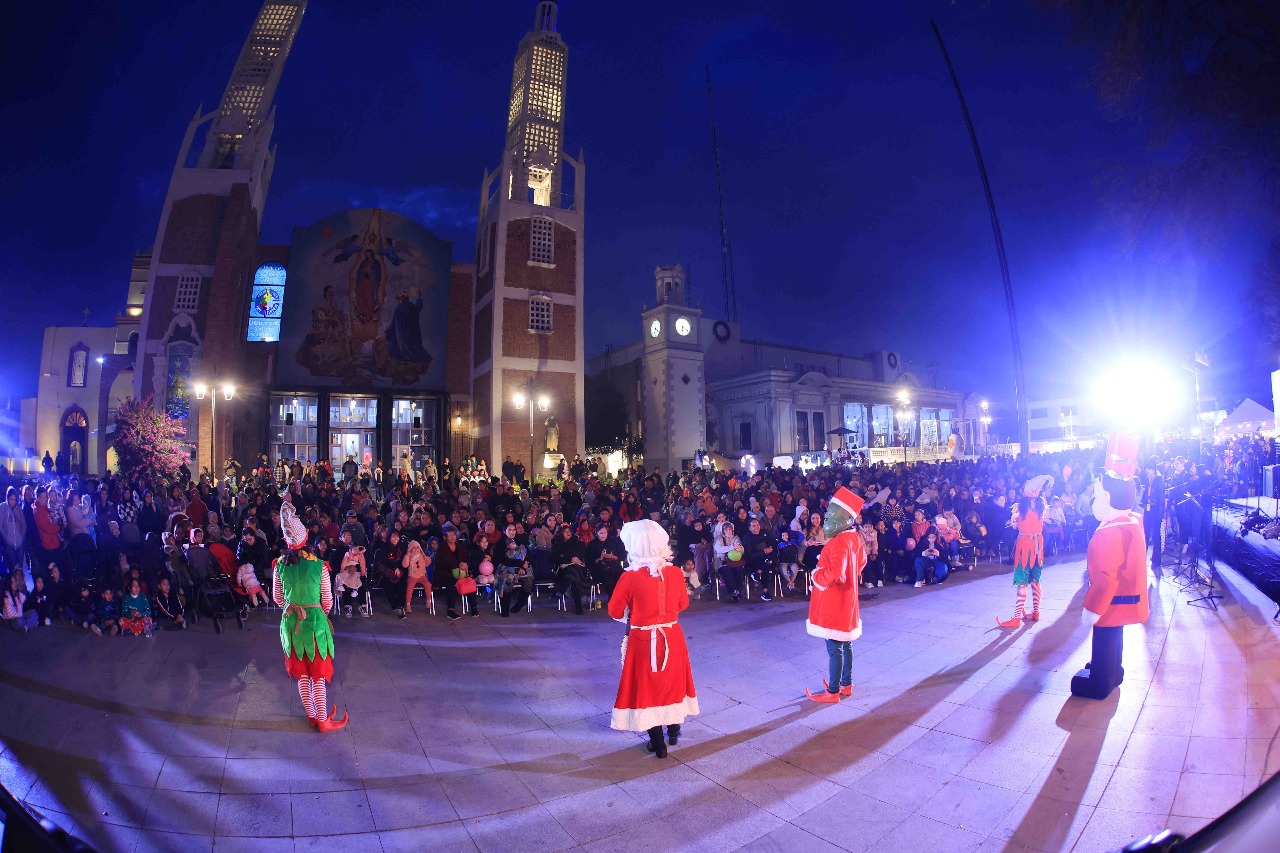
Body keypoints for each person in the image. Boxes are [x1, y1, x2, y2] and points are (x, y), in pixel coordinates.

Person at [608, 520, 699, 758]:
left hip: (643, 639)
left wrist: (634, 613)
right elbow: (683, 604)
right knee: (671, 682)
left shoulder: (630, 577)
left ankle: (658, 744)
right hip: (672, 636)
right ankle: (674, 730)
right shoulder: (675, 572)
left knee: (647, 688)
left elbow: (614, 610)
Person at [1072, 433, 1150, 700]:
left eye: (1096, 498)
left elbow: (1104, 580)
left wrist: (1091, 610)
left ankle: (1100, 681)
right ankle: (1113, 671)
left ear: (1106, 496)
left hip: (1112, 601)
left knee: (1104, 634)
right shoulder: (1132, 521)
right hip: (1127, 598)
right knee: (1115, 636)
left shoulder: (1107, 534)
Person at [272, 502, 347, 731]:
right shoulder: (319, 566)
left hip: (290, 622)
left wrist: (291, 607)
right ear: (306, 538)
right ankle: (323, 720)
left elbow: (277, 597)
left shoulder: (279, 565)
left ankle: (314, 715)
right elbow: (327, 600)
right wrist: (319, 614)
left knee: (303, 675)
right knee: (318, 674)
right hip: (314, 622)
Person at [804, 488, 867, 703]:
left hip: (834, 600)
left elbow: (834, 574)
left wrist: (817, 574)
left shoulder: (838, 542)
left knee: (834, 646)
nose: (827, 518)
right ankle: (846, 684)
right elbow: (861, 563)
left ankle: (832, 691)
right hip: (848, 599)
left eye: (831, 513)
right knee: (846, 642)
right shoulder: (854, 538)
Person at [999, 476, 1052, 628]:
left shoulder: (1020, 507)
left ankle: (1016, 618)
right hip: (1038, 544)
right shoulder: (1042, 506)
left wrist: (1014, 520)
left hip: (1024, 543)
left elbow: (1016, 527)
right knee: (1036, 579)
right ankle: (1036, 612)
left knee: (1021, 579)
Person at [402, 539, 431, 614]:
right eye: (413, 548)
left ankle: (428, 600)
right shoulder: (409, 556)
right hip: (412, 575)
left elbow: (427, 564)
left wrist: (427, 559)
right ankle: (408, 604)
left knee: (428, 585)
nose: (416, 549)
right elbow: (405, 565)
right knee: (409, 587)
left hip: (421, 575)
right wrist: (407, 555)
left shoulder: (422, 555)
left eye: (417, 547)